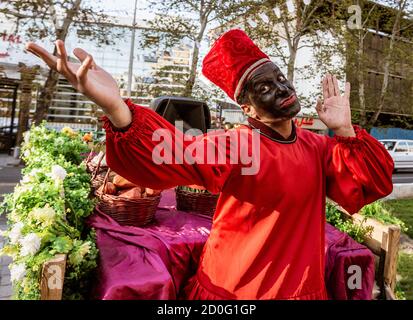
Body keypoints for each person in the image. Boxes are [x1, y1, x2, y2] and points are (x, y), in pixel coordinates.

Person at [26, 29, 394, 300]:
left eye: (280, 79)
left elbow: (365, 185)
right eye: (264, 88)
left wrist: (345, 130)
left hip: (304, 287)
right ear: (246, 108)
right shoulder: (237, 145)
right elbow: (169, 154)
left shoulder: (317, 146)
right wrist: (117, 108)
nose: (282, 89)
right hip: (238, 293)